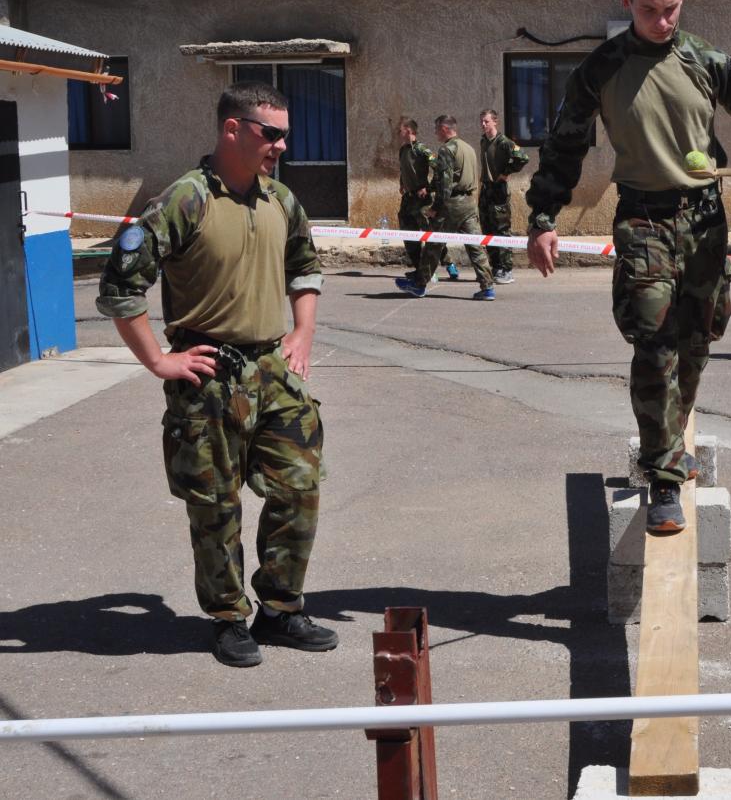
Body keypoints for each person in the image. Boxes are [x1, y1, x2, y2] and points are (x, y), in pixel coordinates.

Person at [526, 0, 731, 533]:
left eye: (670, 8)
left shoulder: (705, 60)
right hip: (643, 219)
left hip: (705, 220)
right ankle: (664, 477)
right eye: (649, 10)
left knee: (697, 339)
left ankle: (671, 435)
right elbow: (563, 146)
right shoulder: (601, 69)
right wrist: (543, 217)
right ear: (627, 3)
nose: (662, 21)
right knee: (654, 342)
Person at [96, 81, 339, 668]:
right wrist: (160, 360)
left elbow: (305, 267)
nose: (282, 145)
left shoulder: (280, 199)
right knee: (215, 505)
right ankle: (229, 618)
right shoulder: (186, 199)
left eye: (285, 134)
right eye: (271, 133)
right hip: (209, 376)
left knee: (298, 489)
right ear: (233, 129)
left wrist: (302, 332)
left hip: (273, 372)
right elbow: (122, 285)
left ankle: (280, 608)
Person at [396, 115, 497, 300]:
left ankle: (419, 284)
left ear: (444, 129)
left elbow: (445, 183)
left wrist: (436, 207)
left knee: (433, 244)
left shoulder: (447, 149)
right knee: (475, 246)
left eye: (436, 129)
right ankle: (487, 287)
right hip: (469, 203)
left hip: (452, 204)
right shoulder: (469, 148)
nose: (435, 133)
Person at [478, 109, 530, 284]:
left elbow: (523, 158)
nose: (483, 124)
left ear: (495, 122)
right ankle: (496, 266)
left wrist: (506, 172)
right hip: (486, 189)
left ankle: (507, 269)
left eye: (486, 121)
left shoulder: (504, 142)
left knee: (501, 230)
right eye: (481, 121)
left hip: (498, 190)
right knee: (487, 229)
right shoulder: (483, 141)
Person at [395, 117, 442, 276]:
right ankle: (419, 269)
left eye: (400, 130)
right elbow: (403, 169)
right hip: (408, 199)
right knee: (408, 232)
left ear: (408, 130)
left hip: (421, 199)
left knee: (430, 232)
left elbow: (438, 168)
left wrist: (428, 188)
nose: (398, 133)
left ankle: (447, 262)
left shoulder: (422, 149)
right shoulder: (403, 150)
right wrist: (402, 184)